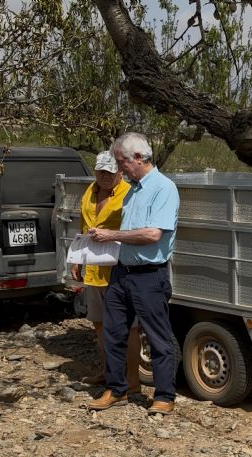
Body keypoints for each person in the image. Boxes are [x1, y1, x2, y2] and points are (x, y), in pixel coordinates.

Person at [87, 132, 180, 415]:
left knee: (157, 337)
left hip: (149, 276)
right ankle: (117, 390)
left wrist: (111, 235)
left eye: (122, 162)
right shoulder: (132, 188)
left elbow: (153, 234)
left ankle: (164, 396)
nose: (120, 168)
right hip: (122, 272)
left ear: (138, 158)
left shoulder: (163, 188)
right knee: (114, 334)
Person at [70, 151, 141, 392]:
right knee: (99, 323)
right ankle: (109, 370)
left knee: (128, 327)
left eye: (110, 172)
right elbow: (83, 225)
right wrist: (77, 259)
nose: (105, 176)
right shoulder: (89, 192)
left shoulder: (129, 193)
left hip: (119, 270)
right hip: (93, 270)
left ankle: (132, 379)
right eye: (101, 171)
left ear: (120, 171)